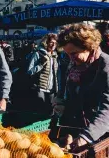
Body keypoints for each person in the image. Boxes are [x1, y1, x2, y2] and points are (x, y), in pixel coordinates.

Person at [52, 24, 109, 152]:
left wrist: (86, 137)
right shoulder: (74, 66)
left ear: (88, 46)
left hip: (99, 134)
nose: (70, 58)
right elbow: (74, 96)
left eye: (74, 53)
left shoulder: (105, 65)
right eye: (67, 54)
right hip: (76, 128)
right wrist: (62, 103)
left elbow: (107, 109)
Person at [27, 33, 59, 115]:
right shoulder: (38, 54)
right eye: (51, 42)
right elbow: (30, 71)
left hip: (52, 90)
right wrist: (41, 64)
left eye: (55, 43)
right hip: (40, 88)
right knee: (40, 113)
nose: (53, 45)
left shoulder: (55, 56)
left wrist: (57, 88)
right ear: (46, 42)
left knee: (51, 113)